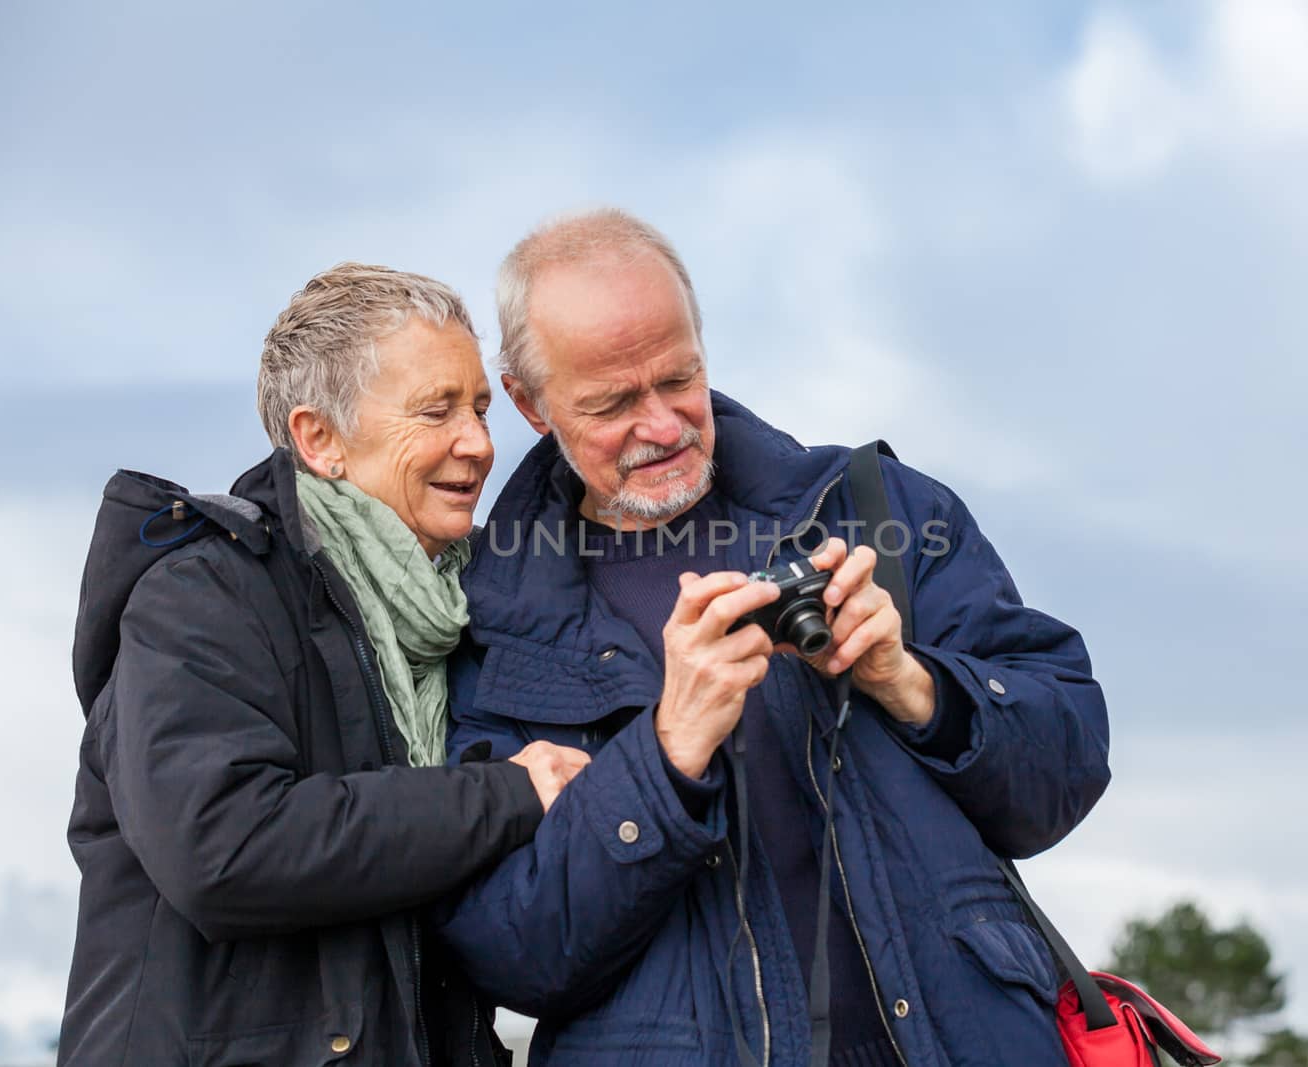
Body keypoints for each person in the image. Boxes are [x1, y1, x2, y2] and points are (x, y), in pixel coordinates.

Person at [434, 210, 1113, 1066]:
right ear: (530, 404)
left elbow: (1072, 764)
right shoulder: (492, 620)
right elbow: (507, 951)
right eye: (612, 403)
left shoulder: (878, 509)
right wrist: (668, 753)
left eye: (679, 378)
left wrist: (913, 685)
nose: (663, 425)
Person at [57, 263, 590, 1066]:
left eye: (480, 406)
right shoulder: (202, 596)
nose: (478, 442)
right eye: (436, 410)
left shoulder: (464, 617)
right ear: (319, 440)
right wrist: (510, 792)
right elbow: (222, 848)